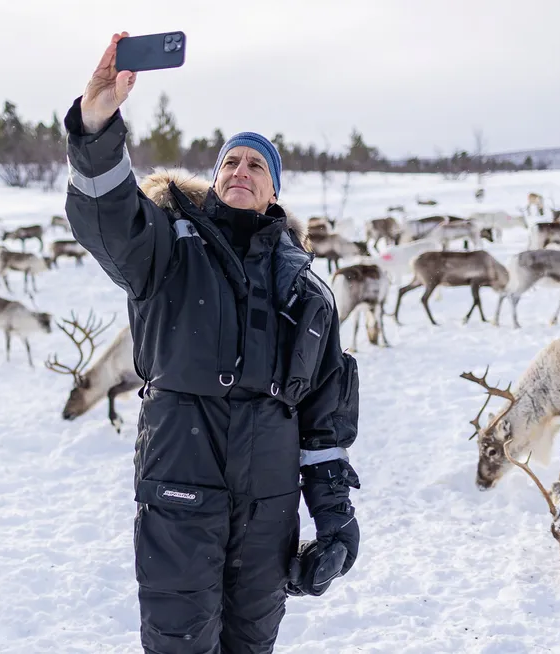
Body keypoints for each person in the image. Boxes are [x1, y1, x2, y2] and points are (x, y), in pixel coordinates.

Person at [63, 31, 361, 654]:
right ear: (214, 178)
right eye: (230, 161)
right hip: (180, 491)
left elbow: (323, 425)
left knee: (252, 645)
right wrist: (97, 120)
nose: (241, 171)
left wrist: (335, 523)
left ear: (274, 189)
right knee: (180, 643)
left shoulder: (309, 294)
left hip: (269, 509)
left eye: (257, 165)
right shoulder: (169, 250)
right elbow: (106, 216)